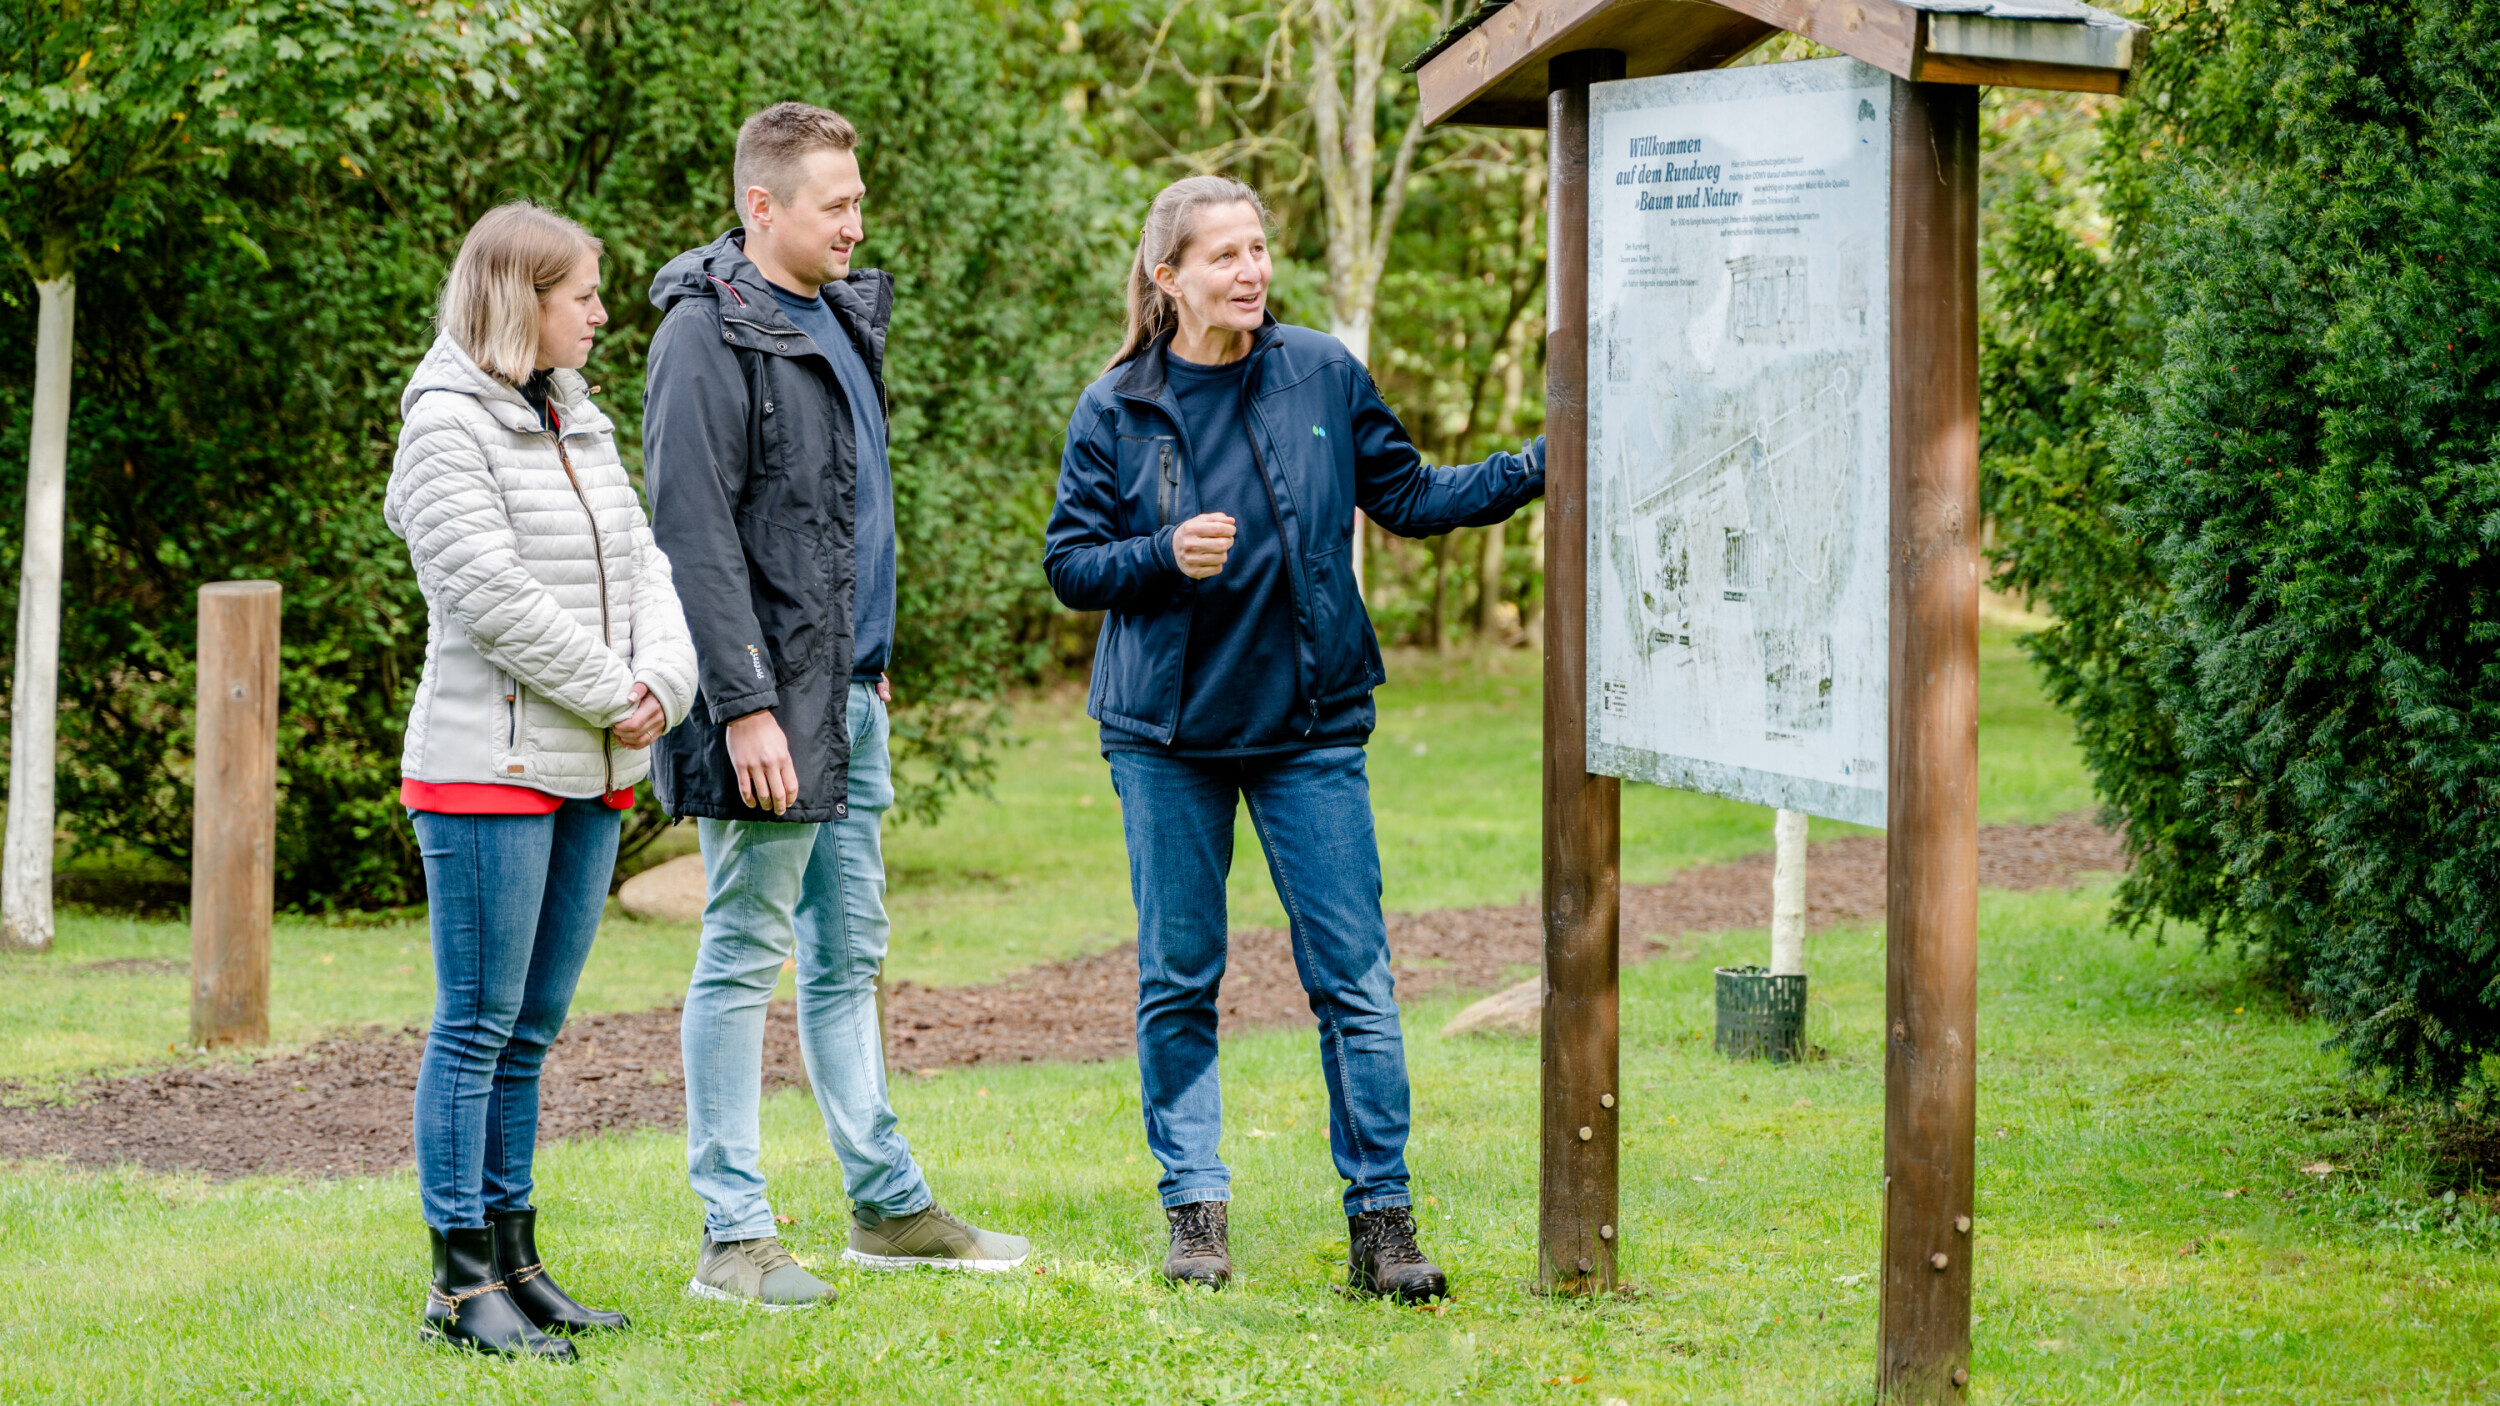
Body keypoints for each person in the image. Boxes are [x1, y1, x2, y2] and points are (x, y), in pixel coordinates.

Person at [1043, 176, 1544, 1301]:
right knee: (1179, 975)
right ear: (1166, 277)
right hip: (1164, 737)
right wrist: (1162, 552)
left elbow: (1408, 494)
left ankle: (1384, 1225)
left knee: (1354, 978)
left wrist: (1536, 466)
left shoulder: (1320, 371)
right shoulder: (1114, 406)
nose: (1252, 269)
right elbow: (1071, 563)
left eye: (1259, 247)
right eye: (1223, 254)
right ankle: (1195, 1212)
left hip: (1308, 726)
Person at [642, 100, 1029, 1310]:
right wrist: (748, 704)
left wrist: (867, 654)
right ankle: (734, 1234)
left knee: (849, 952)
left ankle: (885, 1203)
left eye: (859, 200)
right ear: (763, 206)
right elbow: (694, 531)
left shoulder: (840, 319)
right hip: (764, 710)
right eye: (836, 204)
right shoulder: (705, 334)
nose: (857, 222)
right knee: (744, 947)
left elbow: (833, 517)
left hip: (849, 695)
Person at [387, 201, 700, 1360]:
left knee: (532, 1029)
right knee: (476, 1024)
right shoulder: (444, 428)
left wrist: (666, 680)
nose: (602, 313)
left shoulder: (578, 419)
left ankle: (518, 1260)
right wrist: (618, 690)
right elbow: (486, 593)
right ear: (523, 299)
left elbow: (648, 562)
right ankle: (460, 1284)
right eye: (585, 294)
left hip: (591, 769)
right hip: (488, 771)